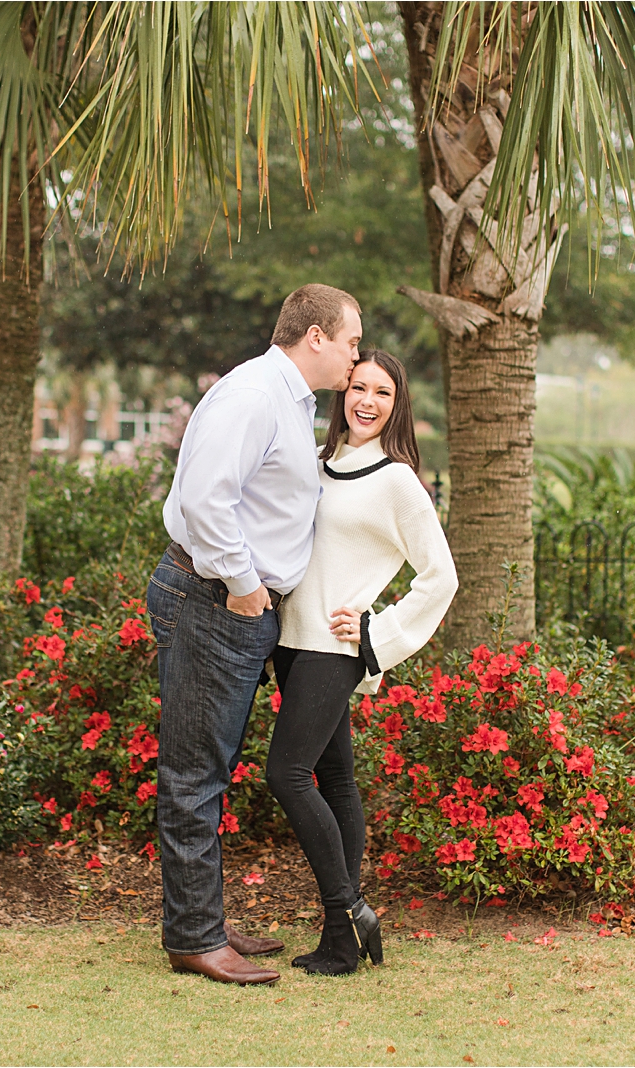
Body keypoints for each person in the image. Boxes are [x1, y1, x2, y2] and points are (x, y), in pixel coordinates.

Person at [148, 283, 362, 986]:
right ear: (317, 337)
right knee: (195, 774)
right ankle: (193, 939)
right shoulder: (255, 396)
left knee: (211, 769)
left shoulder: (284, 398)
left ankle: (200, 918)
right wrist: (244, 587)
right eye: (352, 341)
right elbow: (207, 498)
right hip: (216, 601)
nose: (357, 357)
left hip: (232, 605)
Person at [268, 349, 457, 975]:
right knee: (338, 779)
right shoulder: (320, 464)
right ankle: (343, 941)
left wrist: (380, 630)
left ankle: (348, 910)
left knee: (287, 774)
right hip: (289, 640)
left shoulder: (397, 480)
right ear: (342, 393)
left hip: (334, 648)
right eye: (358, 387)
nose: (367, 401)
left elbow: (442, 578)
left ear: (397, 404)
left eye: (382, 392)